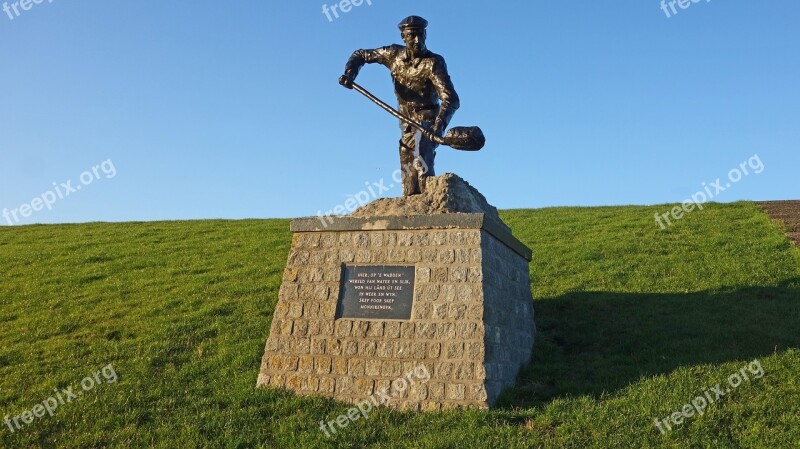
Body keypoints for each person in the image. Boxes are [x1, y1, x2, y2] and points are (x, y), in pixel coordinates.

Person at [339, 15, 460, 196]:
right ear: (403, 37)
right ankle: (412, 206)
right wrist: (350, 74)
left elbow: (451, 99)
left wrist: (438, 126)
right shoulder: (392, 54)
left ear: (425, 34)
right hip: (406, 122)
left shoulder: (434, 63)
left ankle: (430, 202)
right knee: (407, 168)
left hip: (428, 121)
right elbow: (360, 55)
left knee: (421, 159)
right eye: (412, 36)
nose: (417, 40)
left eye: (421, 35)